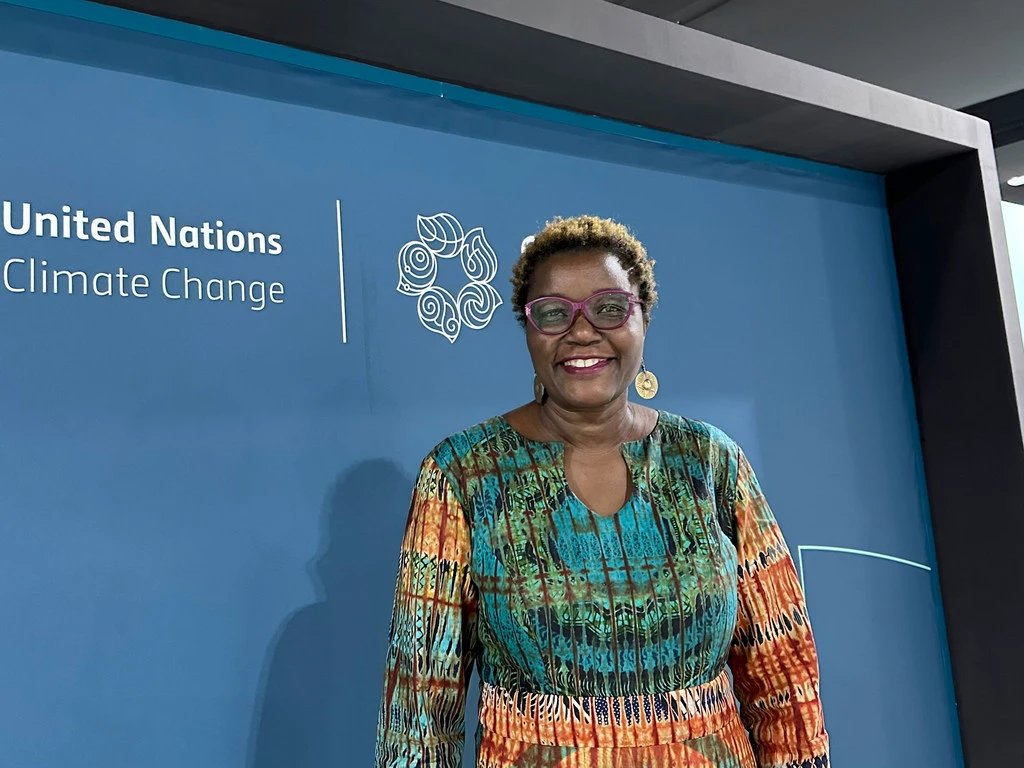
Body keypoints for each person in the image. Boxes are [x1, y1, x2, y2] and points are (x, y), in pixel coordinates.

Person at [375, 215, 829, 768]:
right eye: (553, 313)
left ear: (643, 319)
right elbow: (419, 712)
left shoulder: (711, 461)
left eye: (610, 308)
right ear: (528, 331)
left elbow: (784, 679)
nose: (582, 331)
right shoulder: (464, 474)